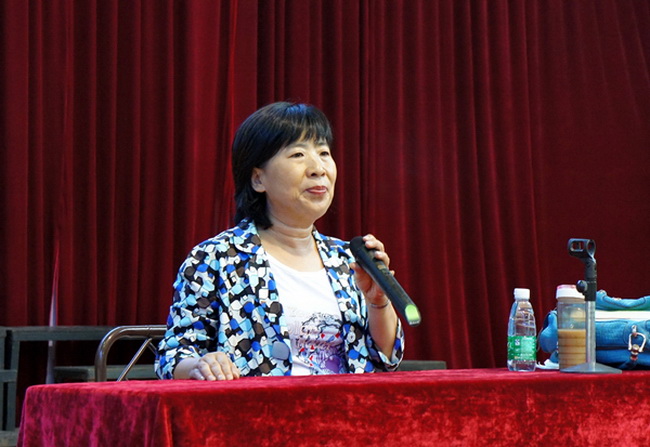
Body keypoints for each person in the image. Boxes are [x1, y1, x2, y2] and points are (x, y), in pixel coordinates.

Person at [156, 101, 405, 380]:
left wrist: (378, 302)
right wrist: (202, 364)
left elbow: (386, 358)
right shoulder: (216, 258)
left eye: (324, 153)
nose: (318, 168)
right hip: (258, 406)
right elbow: (173, 357)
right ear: (258, 179)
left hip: (347, 405)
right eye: (298, 154)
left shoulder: (348, 260)